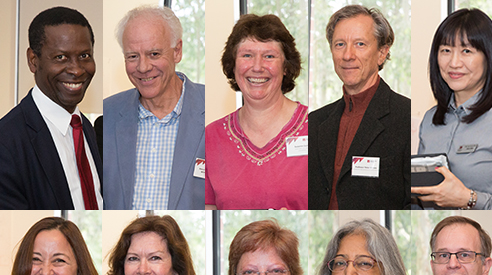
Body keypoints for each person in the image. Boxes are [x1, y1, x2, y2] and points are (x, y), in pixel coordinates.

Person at [308, 5, 411, 210]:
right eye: (339, 44)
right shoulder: (314, 122)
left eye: (360, 44)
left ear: (382, 53)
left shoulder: (405, 117)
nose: (348, 55)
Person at [0, 6, 102, 210]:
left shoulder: (89, 129)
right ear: (33, 60)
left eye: (84, 56)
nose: (76, 69)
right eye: (61, 57)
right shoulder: (7, 142)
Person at [103, 5, 205, 210]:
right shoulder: (107, 115)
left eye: (154, 54)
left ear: (177, 52)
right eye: (132, 56)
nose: (143, 67)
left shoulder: (213, 112)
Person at [411, 8, 492, 210]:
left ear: (488, 57)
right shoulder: (431, 120)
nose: (454, 63)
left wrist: (469, 199)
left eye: (467, 51)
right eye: (446, 50)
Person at [205, 14, 308, 210]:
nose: (257, 67)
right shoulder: (211, 137)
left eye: (269, 56)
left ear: (286, 67)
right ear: (233, 66)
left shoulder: (318, 128)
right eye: (247, 55)